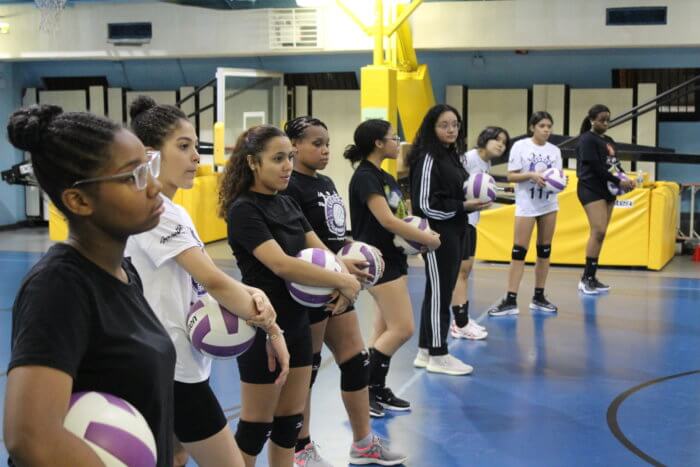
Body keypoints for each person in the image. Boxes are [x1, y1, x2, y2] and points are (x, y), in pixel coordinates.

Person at [3, 104, 176, 466]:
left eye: (149, 167)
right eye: (133, 177)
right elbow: (30, 438)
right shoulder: (58, 287)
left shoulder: (125, 273)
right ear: (79, 200)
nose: (155, 186)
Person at [125, 96, 289, 467]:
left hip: (176, 358)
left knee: (175, 456)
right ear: (150, 155)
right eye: (183, 147)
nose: (196, 158)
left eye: (195, 147)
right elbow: (212, 280)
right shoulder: (157, 212)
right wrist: (273, 331)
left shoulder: (173, 209)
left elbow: (199, 278)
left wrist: (252, 292)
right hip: (170, 366)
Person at [219, 124, 363, 467]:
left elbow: (323, 252)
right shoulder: (244, 210)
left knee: (289, 423)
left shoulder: (286, 202)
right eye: (278, 159)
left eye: (290, 158)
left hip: (298, 323)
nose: (287, 166)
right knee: (255, 427)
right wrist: (342, 281)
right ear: (253, 162)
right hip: (263, 326)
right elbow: (281, 264)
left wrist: (346, 273)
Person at [284, 116, 407, 467]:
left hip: (340, 286)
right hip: (312, 289)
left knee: (356, 362)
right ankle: (301, 447)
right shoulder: (291, 187)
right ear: (294, 146)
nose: (325, 150)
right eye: (316, 143)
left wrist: (355, 249)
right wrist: (337, 271)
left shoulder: (324, 182)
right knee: (305, 370)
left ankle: (364, 442)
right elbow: (301, 244)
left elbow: (334, 234)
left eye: (326, 143)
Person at [347, 118, 442, 403]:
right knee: (402, 329)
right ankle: (367, 391)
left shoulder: (385, 176)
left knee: (383, 330)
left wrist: (416, 239)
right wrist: (428, 240)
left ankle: (373, 389)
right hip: (378, 262)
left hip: (395, 258)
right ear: (378, 143)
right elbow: (387, 220)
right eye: (393, 137)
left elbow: (402, 218)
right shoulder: (366, 176)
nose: (397, 142)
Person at [407, 104, 490, 376]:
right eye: (444, 125)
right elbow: (423, 205)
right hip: (437, 235)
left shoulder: (451, 156)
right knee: (440, 294)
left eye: (455, 124)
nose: (451, 129)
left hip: (456, 230)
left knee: (439, 292)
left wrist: (473, 200)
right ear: (432, 127)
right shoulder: (429, 157)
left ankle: (425, 351)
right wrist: (462, 207)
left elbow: (458, 192)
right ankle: (439, 353)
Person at [487, 111, 562, 316]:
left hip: (549, 204)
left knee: (544, 251)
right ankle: (510, 299)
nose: (546, 129)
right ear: (532, 128)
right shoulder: (520, 146)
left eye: (549, 126)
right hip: (527, 205)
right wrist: (531, 175)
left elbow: (557, 177)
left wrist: (560, 183)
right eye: (542, 126)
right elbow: (511, 175)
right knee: (519, 251)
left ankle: (539, 297)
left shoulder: (555, 151)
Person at [450, 126, 509, 339]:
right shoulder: (468, 159)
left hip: (472, 220)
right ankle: (459, 322)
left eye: (504, 142)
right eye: (497, 139)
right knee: (460, 272)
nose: (501, 144)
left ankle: (462, 318)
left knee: (466, 271)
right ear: (485, 139)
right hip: (461, 219)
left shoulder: (486, 162)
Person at [575, 104, 636, 295]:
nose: (606, 123)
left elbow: (614, 165)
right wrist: (618, 180)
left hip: (607, 189)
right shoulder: (586, 139)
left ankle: (592, 277)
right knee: (598, 230)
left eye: (608, 119)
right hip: (590, 187)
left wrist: (626, 178)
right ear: (592, 120)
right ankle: (585, 279)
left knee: (602, 234)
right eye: (602, 120)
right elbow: (595, 167)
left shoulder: (609, 140)